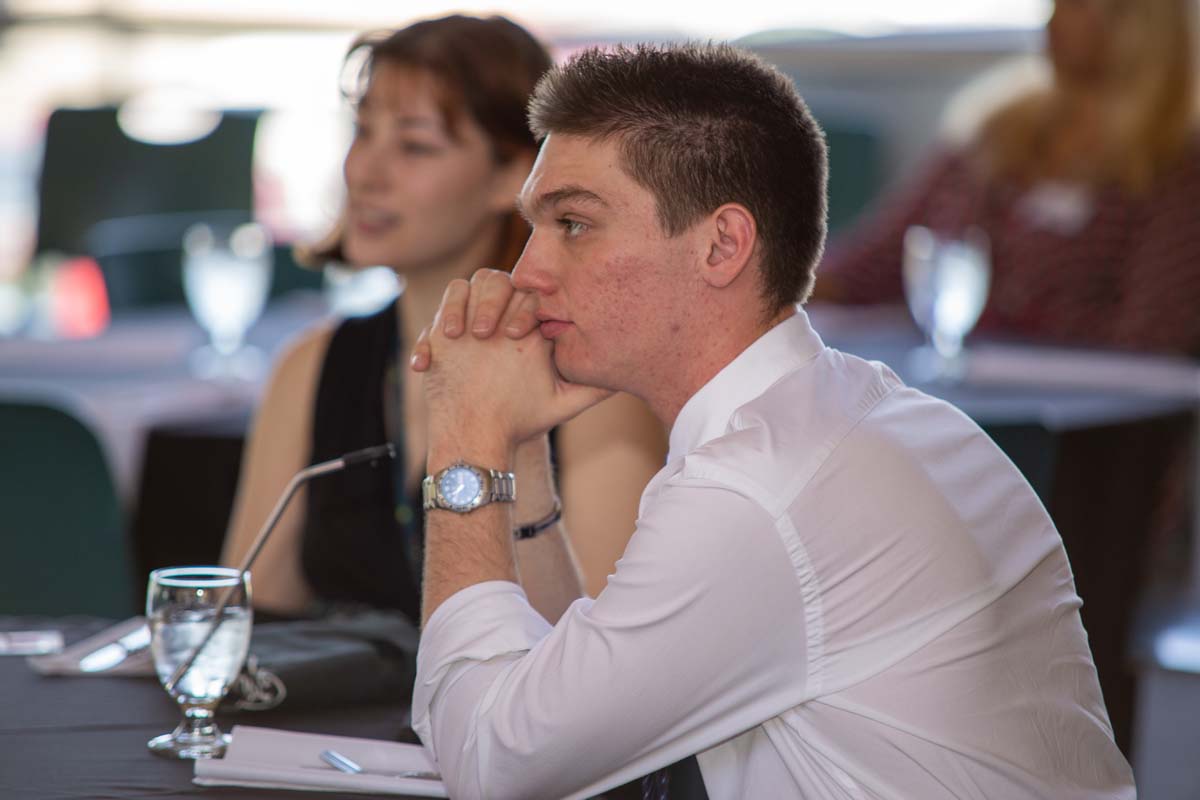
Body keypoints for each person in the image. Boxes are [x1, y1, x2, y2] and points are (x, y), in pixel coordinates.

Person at [406, 42, 1136, 799]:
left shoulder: (758, 490)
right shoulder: (871, 420)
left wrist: (464, 434)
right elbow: (572, 710)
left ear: (722, 245)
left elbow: (490, 767)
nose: (527, 272)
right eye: (536, 225)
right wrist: (518, 451)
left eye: (574, 224)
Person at [220, 15, 666, 624]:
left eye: (414, 144)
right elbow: (246, 618)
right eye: (363, 131)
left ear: (516, 177)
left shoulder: (593, 384)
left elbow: (601, 659)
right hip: (334, 722)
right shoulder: (313, 364)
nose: (365, 172)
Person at [815, 0, 1200, 356]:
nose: (1053, 21)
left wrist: (1000, 321)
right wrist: (783, 285)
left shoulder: (1176, 167)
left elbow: (1153, 334)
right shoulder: (993, 129)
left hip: (1090, 420)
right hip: (959, 394)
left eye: (1077, 6)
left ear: (1136, 21)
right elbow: (875, 259)